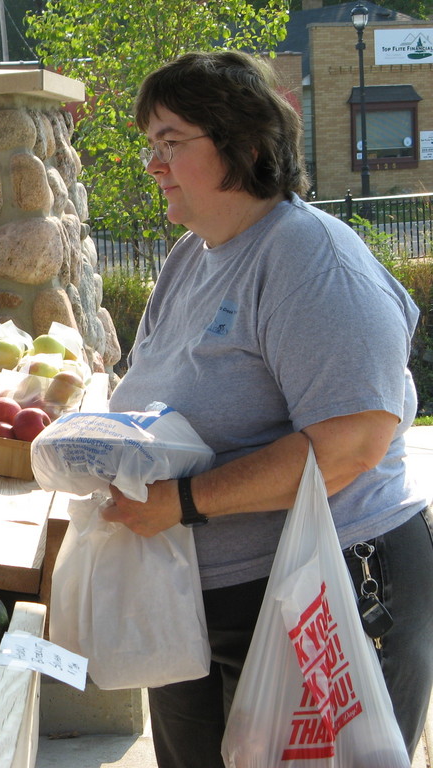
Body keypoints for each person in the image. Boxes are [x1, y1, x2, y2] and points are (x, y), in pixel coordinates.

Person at [104, 50, 432, 764]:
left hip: (326, 593)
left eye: (171, 143)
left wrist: (184, 500)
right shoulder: (192, 256)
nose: (153, 165)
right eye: (149, 146)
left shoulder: (309, 258)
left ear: (246, 145)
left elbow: (352, 443)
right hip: (200, 602)